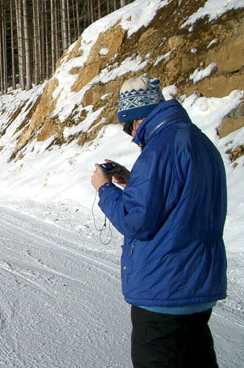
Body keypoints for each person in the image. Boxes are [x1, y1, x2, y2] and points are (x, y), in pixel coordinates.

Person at [90, 75, 227, 368]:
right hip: (198, 287)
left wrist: (105, 189)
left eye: (128, 125)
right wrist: (133, 182)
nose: (131, 134)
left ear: (139, 118)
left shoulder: (159, 150)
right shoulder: (199, 142)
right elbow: (182, 201)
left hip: (163, 291)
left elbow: (136, 221)